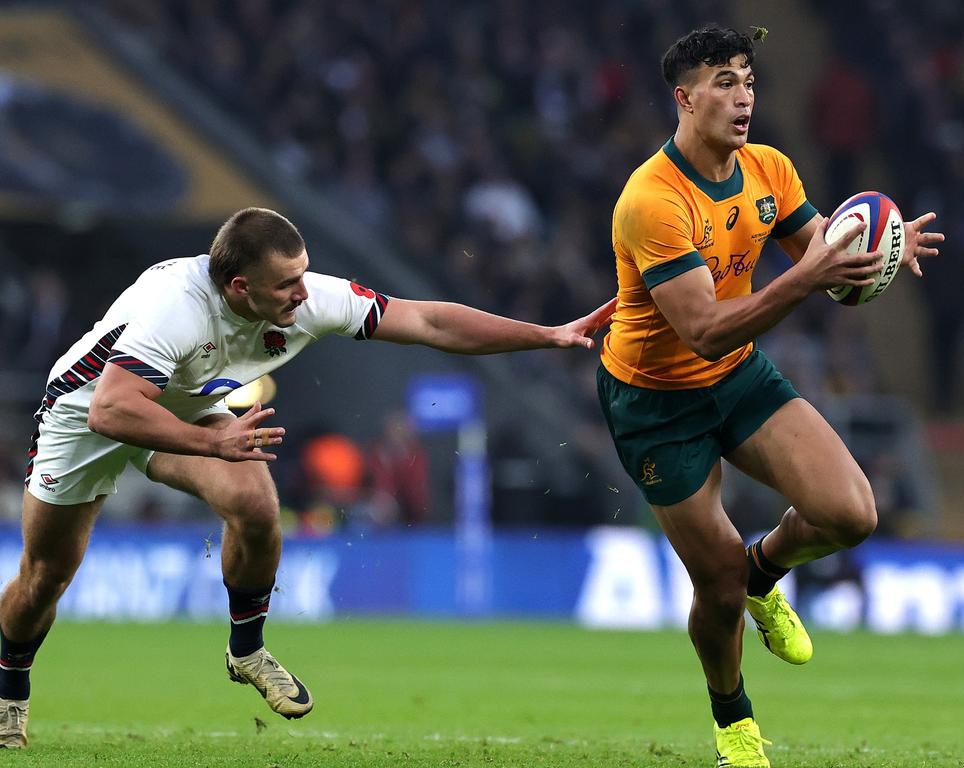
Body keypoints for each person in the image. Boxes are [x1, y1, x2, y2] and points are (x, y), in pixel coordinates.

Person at [0, 207, 615, 749]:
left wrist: (547, 334)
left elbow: (428, 322)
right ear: (240, 288)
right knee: (46, 576)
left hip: (183, 409)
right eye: (287, 283)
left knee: (255, 503)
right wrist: (214, 439)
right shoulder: (177, 310)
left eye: (303, 273)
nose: (304, 292)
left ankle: (246, 650)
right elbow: (112, 408)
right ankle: (10, 689)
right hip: (85, 419)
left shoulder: (307, 296)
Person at [596, 26, 942, 767]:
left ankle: (765, 571)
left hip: (740, 377)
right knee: (712, 586)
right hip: (656, 403)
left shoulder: (771, 169)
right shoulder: (651, 201)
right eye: (724, 80)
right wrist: (812, 276)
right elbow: (704, 331)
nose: (743, 94)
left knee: (851, 513)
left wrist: (874, 256)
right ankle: (735, 722)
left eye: (748, 78)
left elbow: (825, 262)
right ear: (685, 99)